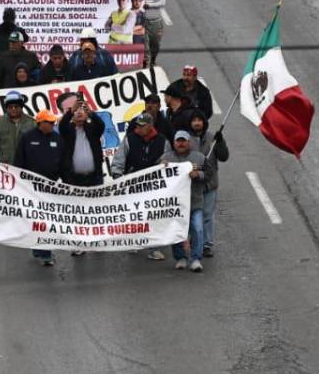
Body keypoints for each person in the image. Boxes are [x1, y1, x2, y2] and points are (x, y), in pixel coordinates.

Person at [109, 112, 170, 260]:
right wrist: (117, 176)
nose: (138, 128)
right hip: (132, 186)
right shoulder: (129, 139)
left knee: (153, 217)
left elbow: (168, 161)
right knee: (133, 215)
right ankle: (133, 241)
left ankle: (153, 248)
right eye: (137, 125)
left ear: (150, 126)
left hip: (153, 187)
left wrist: (165, 165)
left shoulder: (163, 142)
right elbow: (118, 160)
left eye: (142, 126)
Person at [14, 109, 63, 266]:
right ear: (40, 123)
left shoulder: (58, 138)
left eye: (53, 122)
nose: (52, 124)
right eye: (49, 122)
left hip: (51, 187)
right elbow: (18, 162)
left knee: (48, 220)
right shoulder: (27, 138)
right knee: (37, 220)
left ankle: (44, 251)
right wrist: (18, 184)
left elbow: (64, 162)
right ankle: (42, 251)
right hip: (31, 188)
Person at [161, 131, 210, 272]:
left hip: (194, 202)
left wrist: (198, 174)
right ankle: (180, 258)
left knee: (198, 229)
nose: (181, 143)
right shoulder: (166, 158)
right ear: (174, 143)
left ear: (189, 142)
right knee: (176, 231)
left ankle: (195, 259)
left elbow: (209, 175)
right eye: (178, 141)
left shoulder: (199, 158)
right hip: (175, 204)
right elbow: (155, 177)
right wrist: (160, 167)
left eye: (183, 141)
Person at [189, 110, 229, 258]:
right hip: (192, 185)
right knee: (192, 214)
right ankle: (194, 238)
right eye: (194, 120)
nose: (197, 123)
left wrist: (221, 142)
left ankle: (206, 244)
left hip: (209, 184)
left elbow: (224, 157)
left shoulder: (212, 138)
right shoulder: (185, 140)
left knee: (207, 215)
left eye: (200, 120)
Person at [57, 92, 105, 188]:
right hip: (73, 180)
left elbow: (101, 125)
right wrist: (71, 112)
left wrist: (91, 113)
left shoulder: (92, 129)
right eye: (76, 110)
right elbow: (62, 125)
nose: (79, 112)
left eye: (82, 109)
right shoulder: (67, 131)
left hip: (94, 179)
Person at [0, 91, 34, 164]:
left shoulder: (32, 123)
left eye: (16, 106)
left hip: (27, 166)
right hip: (6, 166)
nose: (13, 109)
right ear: (6, 108)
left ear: (21, 107)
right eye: (10, 107)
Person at [141, 0, 167, 67]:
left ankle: (153, 59)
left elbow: (162, 3)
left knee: (155, 44)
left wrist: (150, 5)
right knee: (145, 45)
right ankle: (146, 64)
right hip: (144, 22)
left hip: (156, 22)